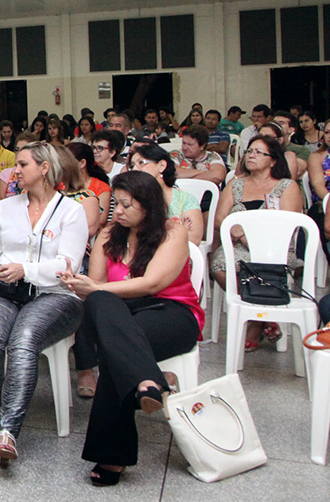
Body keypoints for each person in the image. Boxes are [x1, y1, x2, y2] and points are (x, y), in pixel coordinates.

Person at [59, 171, 202, 487]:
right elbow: (96, 287)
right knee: (101, 306)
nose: (118, 211)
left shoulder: (172, 231)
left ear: (148, 206)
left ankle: (113, 455)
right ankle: (147, 382)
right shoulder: (111, 234)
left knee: (114, 348)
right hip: (121, 314)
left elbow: (153, 283)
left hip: (171, 312)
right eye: (117, 204)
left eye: (126, 205)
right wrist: (77, 283)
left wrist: (96, 288)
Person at [0, 142, 88, 464]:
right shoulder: (7, 207)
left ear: (45, 169)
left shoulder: (71, 212)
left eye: (22, 165)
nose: (15, 171)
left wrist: (27, 270)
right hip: (4, 291)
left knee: (23, 339)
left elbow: (68, 268)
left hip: (55, 296)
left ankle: (9, 430)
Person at [211, 135, 302, 351]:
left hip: (275, 248)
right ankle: (264, 315)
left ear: (273, 160)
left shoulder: (287, 186)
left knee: (261, 268)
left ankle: (255, 322)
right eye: (249, 151)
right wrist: (238, 234)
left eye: (259, 152)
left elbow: (288, 224)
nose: (251, 155)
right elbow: (220, 219)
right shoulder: (235, 184)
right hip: (238, 246)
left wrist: (251, 236)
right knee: (221, 267)